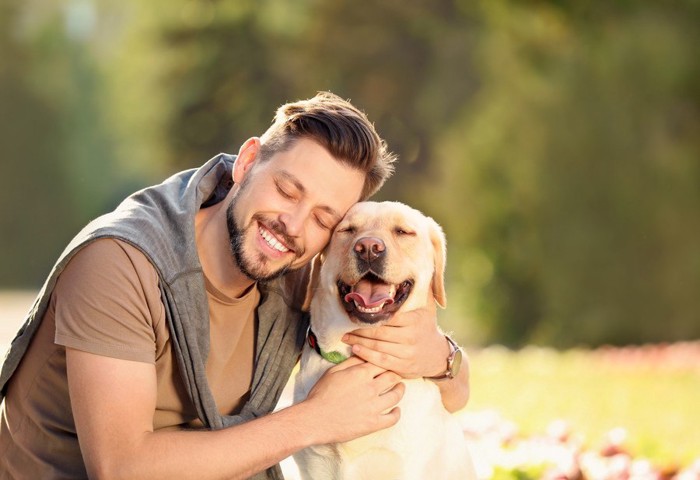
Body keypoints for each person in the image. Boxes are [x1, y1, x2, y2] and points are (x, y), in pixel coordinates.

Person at [0, 92, 470, 479]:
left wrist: (439, 356)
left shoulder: (301, 267)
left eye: (324, 217)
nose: (292, 224)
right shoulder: (119, 264)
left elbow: (458, 392)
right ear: (246, 162)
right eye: (287, 190)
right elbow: (122, 467)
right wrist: (313, 420)